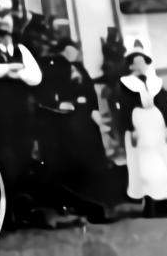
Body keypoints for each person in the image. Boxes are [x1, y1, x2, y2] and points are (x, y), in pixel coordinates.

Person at [35, 38, 126, 224]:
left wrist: (94, 110)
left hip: (87, 119)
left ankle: (103, 204)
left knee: (95, 160)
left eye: (74, 51)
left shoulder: (80, 68)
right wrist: (60, 103)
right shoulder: (53, 68)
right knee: (78, 162)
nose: (73, 54)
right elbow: (49, 92)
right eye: (69, 50)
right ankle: (86, 205)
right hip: (69, 121)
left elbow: (90, 90)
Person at [115, 45, 167, 218]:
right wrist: (131, 129)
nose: (141, 65)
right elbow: (124, 108)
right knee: (147, 167)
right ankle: (151, 206)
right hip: (140, 126)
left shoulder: (155, 82)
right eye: (137, 62)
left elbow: (164, 105)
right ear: (131, 66)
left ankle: (164, 205)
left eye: (143, 62)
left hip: (157, 126)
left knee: (166, 165)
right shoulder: (126, 84)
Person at [0, 9, 42, 201]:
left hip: (21, 112)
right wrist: (12, 67)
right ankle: (5, 201)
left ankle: (23, 199)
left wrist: (17, 73)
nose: (4, 32)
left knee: (24, 152)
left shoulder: (22, 50)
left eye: (8, 24)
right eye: (0, 26)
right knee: (4, 155)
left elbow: (36, 77)